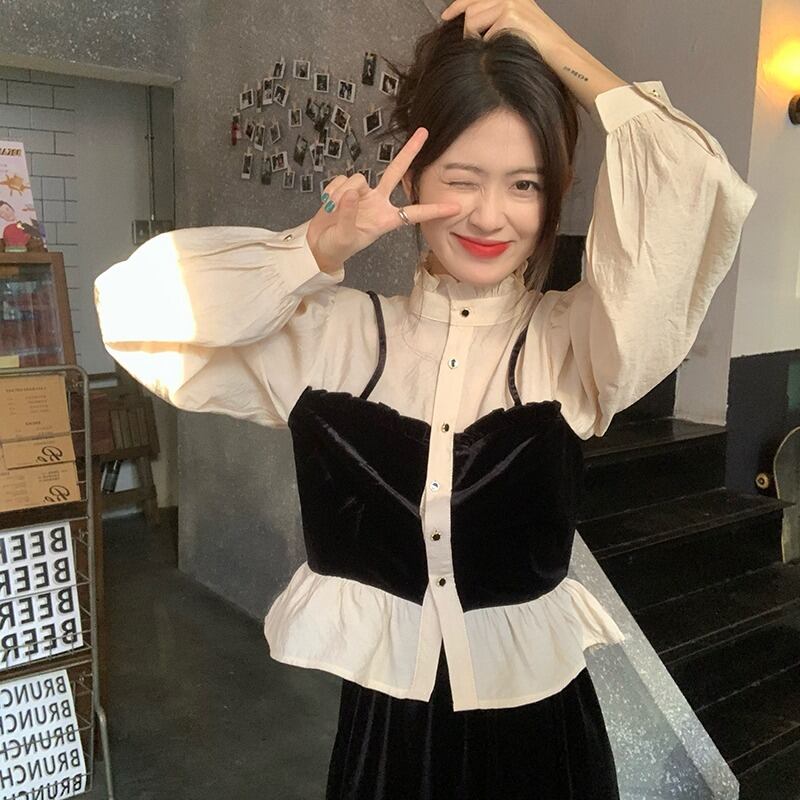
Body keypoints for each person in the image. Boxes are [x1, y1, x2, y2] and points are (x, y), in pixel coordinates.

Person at [93, 2, 758, 798]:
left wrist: (544, 36)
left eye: (525, 185)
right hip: (389, 742)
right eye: (461, 180)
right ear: (412, 179)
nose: (489, 215)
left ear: (554, 196)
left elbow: (691, 180)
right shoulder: (335, 338)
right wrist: (311, 249)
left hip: (542, 742)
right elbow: (132, 313)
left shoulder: (575, 346)